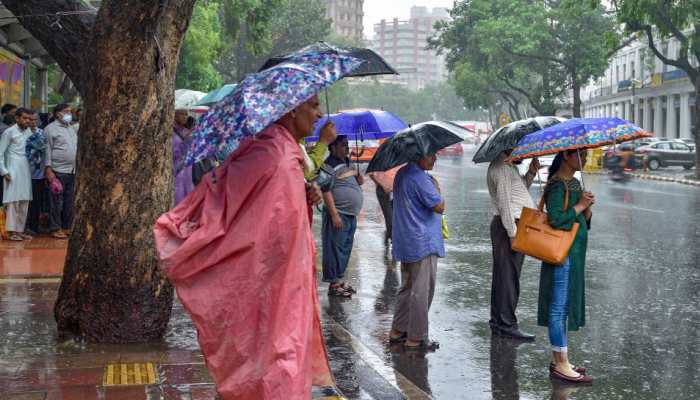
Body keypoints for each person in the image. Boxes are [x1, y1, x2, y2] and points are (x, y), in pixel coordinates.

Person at [153, 94, 335, 399]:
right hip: (268, 284)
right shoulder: (270, 153)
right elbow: (226, 203)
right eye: (313, 105)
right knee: (274, 359)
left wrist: (305, 194)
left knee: (281, 355)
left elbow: (276, 212)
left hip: (288, 284)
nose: (319, 115)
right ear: (291, 108)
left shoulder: (286, 154)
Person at [538, 149, 594, 384]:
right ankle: (560, 363)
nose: (587, 159)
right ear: (567, 157)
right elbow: (557, 219)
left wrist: (587, 208)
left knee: (564, 305)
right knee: (559, 308)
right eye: (582, 155)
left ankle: (562, 359)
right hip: (562, 254)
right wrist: (580, 206)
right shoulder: (557, 185)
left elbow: (583, 223)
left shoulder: (574, 183)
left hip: (575, 253)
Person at [388, 154, 445, 351]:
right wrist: (436, 186)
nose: (434, 159)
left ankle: (398, 330)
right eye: (431, 155)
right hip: (423, 242)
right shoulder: (421, 178)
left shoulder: (402, 174)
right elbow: (439, 206)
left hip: (407, 240)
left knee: (407, 287)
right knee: (422, 291)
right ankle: (416, 338)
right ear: (419, 154)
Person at [487, 151, 540, 340]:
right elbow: (505, 204)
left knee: (504, 276)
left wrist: (531, 173)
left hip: (512, 225)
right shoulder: (501, 167)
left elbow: (518, 193)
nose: (523, 152)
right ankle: (506, 324)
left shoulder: (509, 166)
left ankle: (499, 322)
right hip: (508, 226)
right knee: (509, 277)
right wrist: (512, 233)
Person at [321, 135, 364, 297]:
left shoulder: (348, 162)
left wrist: (359, 180)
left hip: (351, 215)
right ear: (333, 147)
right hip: (339, 214)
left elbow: (353, 183)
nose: (347, 148)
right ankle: (333, 284)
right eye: (343, 145)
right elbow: (325, 190)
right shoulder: (328, 165)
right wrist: (334, 214)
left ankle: (339, 280)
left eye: (347, 145)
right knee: (334, 249)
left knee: (345, 249)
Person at [0, 108, 34, 241]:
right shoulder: (9, 132)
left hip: (25, 169)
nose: (28, 121)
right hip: (12, 169)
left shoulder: (30, 132)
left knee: (24, 200)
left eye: (29, 119)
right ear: (17, 118)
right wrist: (4, 171)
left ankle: (20, 231)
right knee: (13, 201)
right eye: (25, 118)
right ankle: (11, 231)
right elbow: (0, 153)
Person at [44, 103, 78, 239]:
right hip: (57, 171)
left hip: (72, 170)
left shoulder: (71, 128)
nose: (69, 113)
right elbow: (47, 150)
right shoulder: (50, 129)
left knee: (69, 202)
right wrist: (48, 169)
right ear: (58, 113)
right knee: (56, 202)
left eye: (70, 111)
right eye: (66, 111)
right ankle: (55, 228)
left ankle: (66, 226)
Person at [367, 164, 403, 243]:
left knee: (397, 217)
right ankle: (393, 239)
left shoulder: (399, 160)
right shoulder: (381, 160)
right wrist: (382, 185)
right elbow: (371, 174)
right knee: (389, 217)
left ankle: (390, 235)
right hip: (383, 191)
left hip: (396, 189)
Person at [25, 113, 48, 235]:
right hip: (24, 173)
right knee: (25, 201)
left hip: (39, 174)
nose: (33, 122)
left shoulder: (42, 132)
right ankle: (24, 226)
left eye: (35, 119)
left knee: (37, 201)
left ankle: (34, 226)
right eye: (30, 119)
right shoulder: (24, 132)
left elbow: (45, 151)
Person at [173, 109, 194, 205]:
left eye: (186, 114)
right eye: (182, 114)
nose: (185, 116)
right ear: (174, 116)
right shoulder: (171, 133)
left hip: (188, 171)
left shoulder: (187, 131)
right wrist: (186, 141)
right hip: (176, 171)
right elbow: (174, 153)